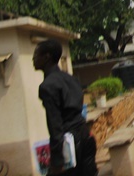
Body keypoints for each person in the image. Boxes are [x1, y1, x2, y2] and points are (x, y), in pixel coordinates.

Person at [33, 39, 98, 175]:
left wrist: (57, 160)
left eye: (36, 54)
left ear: (47, 57)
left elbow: (55, 124)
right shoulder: (71, 79)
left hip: (69, 143)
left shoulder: (47, 86)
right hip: (85, 135)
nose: (33, 58)